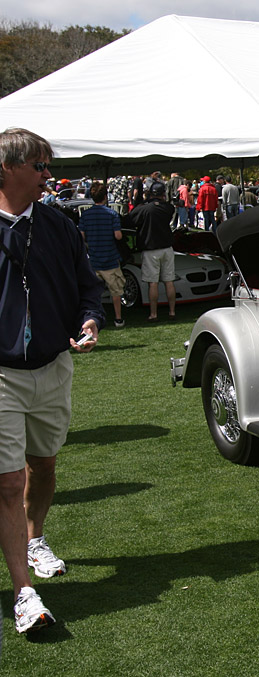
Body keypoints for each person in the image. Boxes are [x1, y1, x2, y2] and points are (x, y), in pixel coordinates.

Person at [0, 127, 104, 634]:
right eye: (40, 167)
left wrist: (88, 320)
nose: (49, 175)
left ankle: (35, 539)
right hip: (0, 373)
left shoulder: (60, 226)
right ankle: (24, 592)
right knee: (8, 480)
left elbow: (88, 287)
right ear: (9, 168)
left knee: (43, 466)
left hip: (53, 364)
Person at [78, 181, 126, 327]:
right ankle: (118, 318)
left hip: (93, 258)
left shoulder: (85, 215)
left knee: (94, 292)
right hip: (110, 258)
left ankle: (94, 317)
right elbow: (118, 236)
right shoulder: (112, 214)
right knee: (116, 291)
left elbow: (81, 236)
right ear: (105, 196)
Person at [129, 180, 176, 321]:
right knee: (169, 281)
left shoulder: (144, 209)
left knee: (153, 283)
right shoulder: (168, 208)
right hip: (166, 248)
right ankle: (172, 312)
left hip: (150, 249)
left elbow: (131, 218)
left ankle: (153, 314)